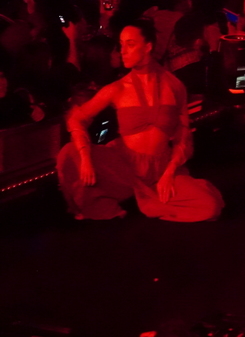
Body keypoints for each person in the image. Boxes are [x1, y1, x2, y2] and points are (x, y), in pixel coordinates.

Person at [56, 21, 224, 221]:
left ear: (148, 47)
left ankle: (149, 199)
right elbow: (76, 120)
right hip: (124, 166)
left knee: (210, 206)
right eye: (121, 44)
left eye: (130, 44)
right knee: (68, 153)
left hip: (160, 168)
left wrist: (169, 173)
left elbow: (184, 136)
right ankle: (110, 202)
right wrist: (84, 157)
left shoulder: (174, 86)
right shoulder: (117, 88)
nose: (123, 51)